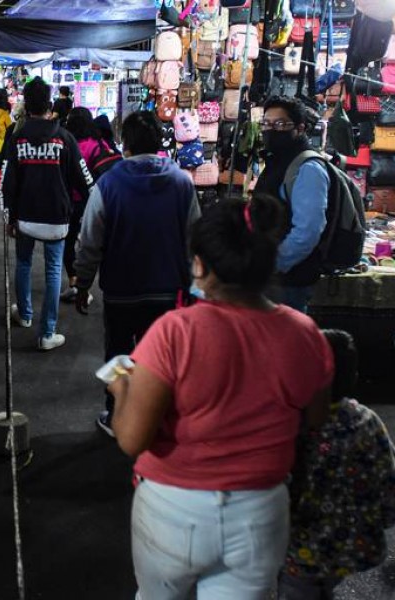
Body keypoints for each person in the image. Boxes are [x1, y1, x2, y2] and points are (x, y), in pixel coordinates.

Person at [109, 194, 334, 599]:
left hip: (172, 510)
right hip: (260, 512)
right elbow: (314, 421)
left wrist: (122, 387)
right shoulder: (305, 334)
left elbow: (131, 439)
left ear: (199, 265)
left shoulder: (175, 332)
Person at [75, 111, 200, 437]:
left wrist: (82, 284)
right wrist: (191, 285)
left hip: (121, 290)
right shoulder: (182, 182)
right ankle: (155, 416)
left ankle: (117, 415)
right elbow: (194, 239)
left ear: (124, 143)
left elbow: (89, 242)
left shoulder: (109, 184)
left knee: (118, 353)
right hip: (167, 289)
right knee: (158, 357)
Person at [278, 329, 395, 600]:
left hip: (299, 548)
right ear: (353, 376)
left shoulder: (292, 424)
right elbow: (387, 478)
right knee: (324, 586)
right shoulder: (367, 420)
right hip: (354, 544)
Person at [0, 77, 93, 351]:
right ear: (50, 105)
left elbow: (7, 180)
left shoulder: (17, 137)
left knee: (24, 263)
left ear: (26, 107)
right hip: (57, 216)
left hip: (25, 215)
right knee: (53, 270)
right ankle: (47, 333)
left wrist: (10, 215)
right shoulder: (65, 138)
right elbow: (85, 180)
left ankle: (25, 315)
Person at [255, 96, 330, 313]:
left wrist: (274, 265)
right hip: (272, 277)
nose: (271, 130)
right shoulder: (277, 160)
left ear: (300, 128)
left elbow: (308, 231)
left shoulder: (307, 168)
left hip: (288, 281)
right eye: (267, 124)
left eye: (280, 124)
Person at [60, 107, 113, 303]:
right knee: (90, 243)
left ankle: (76, 284)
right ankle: (84, 285)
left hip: (72, 201)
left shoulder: (68, 143)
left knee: (68, 244)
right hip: (94, 199)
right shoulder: (98, 143)